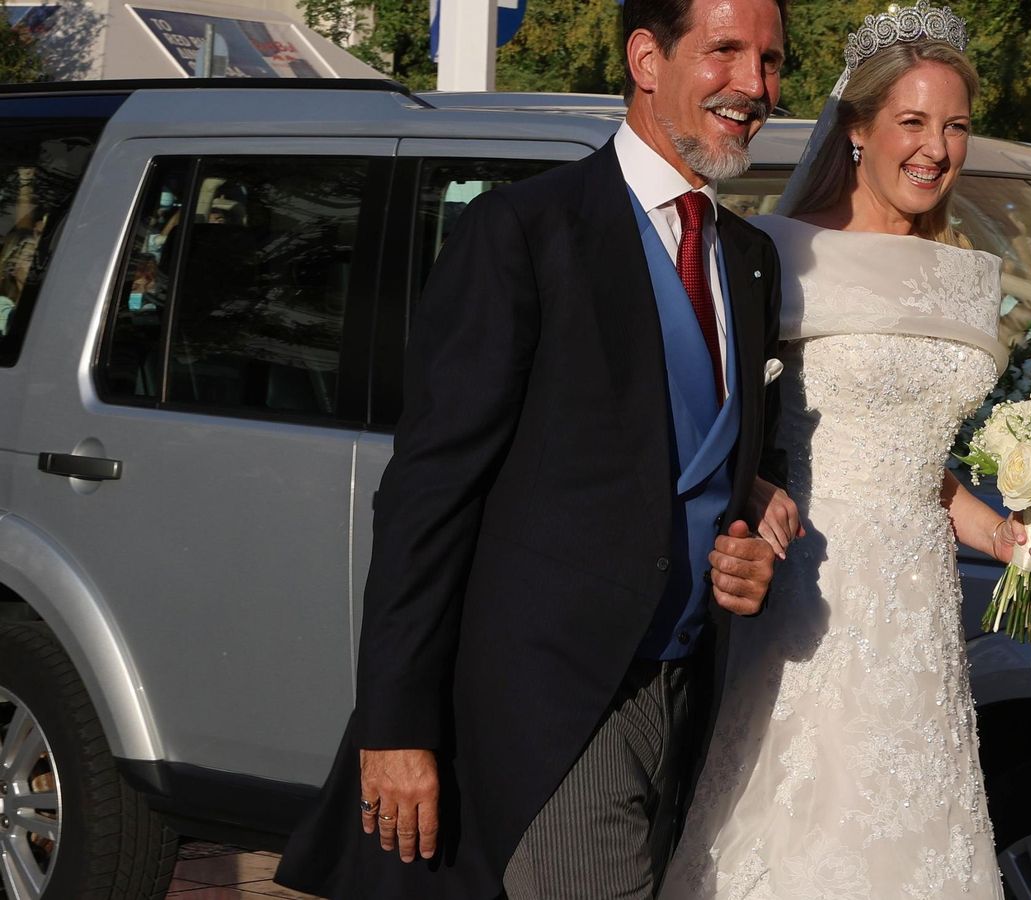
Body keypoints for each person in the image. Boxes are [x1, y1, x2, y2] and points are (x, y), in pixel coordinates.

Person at [274, 1, 789, 897]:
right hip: (549, 706)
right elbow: (428, 495)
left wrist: (750, 533)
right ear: (645, 57)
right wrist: (394, 725)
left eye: (772, 60)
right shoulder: (524, 232)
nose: (755, 85)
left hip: (690, 699)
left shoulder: (747, 259)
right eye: (726, 52)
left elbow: (711, 461)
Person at [657, 9, 1031, 897]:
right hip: (804, 584)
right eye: (912, 122)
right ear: (857, 130)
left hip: (919, 604)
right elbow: (718, 418)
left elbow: (913, 452)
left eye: (953, 126)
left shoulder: (966, 274)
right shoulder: (780, 255)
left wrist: (1001, 534)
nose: (935, 148)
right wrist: (753, 486)